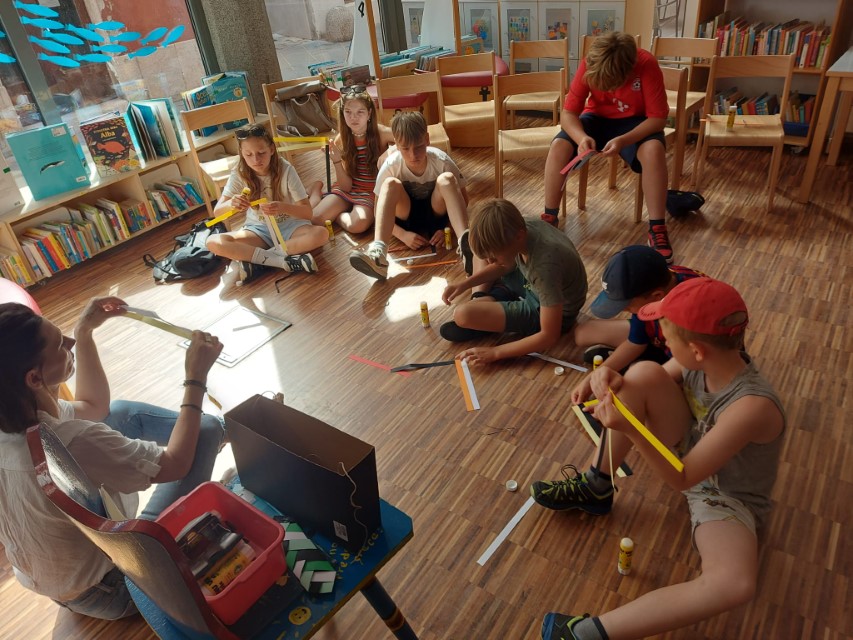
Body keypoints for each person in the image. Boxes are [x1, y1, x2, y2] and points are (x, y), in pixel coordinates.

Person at [531, 278, 786, 640]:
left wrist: (630, 427)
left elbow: (683, 477)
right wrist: (611, 378)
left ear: (697, 350)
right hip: (689, 449)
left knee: (735, 584)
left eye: (667, 339)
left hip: (725, 496)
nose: (662, 344)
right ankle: (597, 485)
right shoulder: (701, 361)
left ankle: (583, 634)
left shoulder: (752, 406)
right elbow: (644, 384)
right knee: (641, 373)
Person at [0, 297, 225, 619]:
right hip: (117, 589)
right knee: (204, 433)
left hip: (62, 584)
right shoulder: (71, 441)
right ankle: (220, 431)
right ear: (34, 379)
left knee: (118, 412)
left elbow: (94, 408)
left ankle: (215, 430)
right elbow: (175, 464)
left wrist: (85, 331)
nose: (70, 343)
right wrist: (196, 378)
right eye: (61, 344)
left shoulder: (14, 414)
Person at [542, 32, 674, 263]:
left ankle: (657, 227)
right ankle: (549, 217)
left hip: (636, 123)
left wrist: (623, 140)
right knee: (559, 146)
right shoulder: (591, 63)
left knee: (653, 151)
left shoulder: (646, 64)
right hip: (596, 119)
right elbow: (569, 114)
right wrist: (581, 138)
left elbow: (658, 119)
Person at [439, 198, 587, 366]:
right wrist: (465, 284)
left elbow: (549, 335)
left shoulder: (544, 267)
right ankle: (490, 301)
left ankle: (494, 305)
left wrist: (495, 352)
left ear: (519, 236)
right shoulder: (518, 227)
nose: (489, 262)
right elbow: (502, 265)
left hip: (552, 312)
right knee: (483, 247)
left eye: (494, 258)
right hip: (532, 282)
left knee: (463, 315)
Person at [571, 245, 703, 403]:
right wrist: (595, 375)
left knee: (650, 393)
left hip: (691, 359)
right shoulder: (655, 282)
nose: (624, 310)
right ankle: (645, 360)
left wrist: (633, 385)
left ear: (657, 296)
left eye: (626, 306)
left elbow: (688, 362)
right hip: (667, 341)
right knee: (582, 334)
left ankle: (644, 363)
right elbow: (636, 341)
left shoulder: (690, 310)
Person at [348, 111, 472, 280]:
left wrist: (447, 228)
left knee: (447, 180)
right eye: (405, 148)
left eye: (419, 147)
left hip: (437, 214)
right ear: (396, 145)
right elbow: (378, 211)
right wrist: (402, 235)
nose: (413, 155)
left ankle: (467, 246)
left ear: (427, 139)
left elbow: (464, 199)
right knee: (390, 184)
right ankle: (379, 255)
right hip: (405, 217)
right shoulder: (391, 165)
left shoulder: (441, 161)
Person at [206, 123, 328, 284]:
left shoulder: (286, 169)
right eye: (248, 154)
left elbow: (307, 212)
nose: (256, 160)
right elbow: (217, 212)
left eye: (261, 153)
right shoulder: (239, 173)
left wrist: (282, 207)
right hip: (258, 230)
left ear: (271, 149)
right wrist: (231, 204)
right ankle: (279, 260)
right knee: (213, 242)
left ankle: (258, 260)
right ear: (241, 153)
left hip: (291, 227)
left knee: (321, 234)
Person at [308, 85, 394, 234]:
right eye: (348, 112)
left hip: (371, 191)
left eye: (360, 112)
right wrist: (336, 161)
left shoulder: (382, 132)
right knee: (315, 218)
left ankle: (337, 214)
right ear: (342, 113)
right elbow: (346, 186)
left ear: (369, 113)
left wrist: (391, 151)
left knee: (357, 225)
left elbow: (411, 139)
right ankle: (316, 190)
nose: (354, 117)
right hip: (348, 188)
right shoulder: (341, 139)